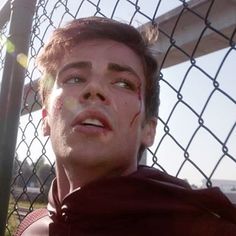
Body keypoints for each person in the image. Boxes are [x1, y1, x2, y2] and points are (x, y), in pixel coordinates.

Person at [15, 16, 236, 236]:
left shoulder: (203, 229)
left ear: (148, 129)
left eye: (123, 83)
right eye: (74, 78)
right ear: (45, 119)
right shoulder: (30, 227)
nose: (94, 88)